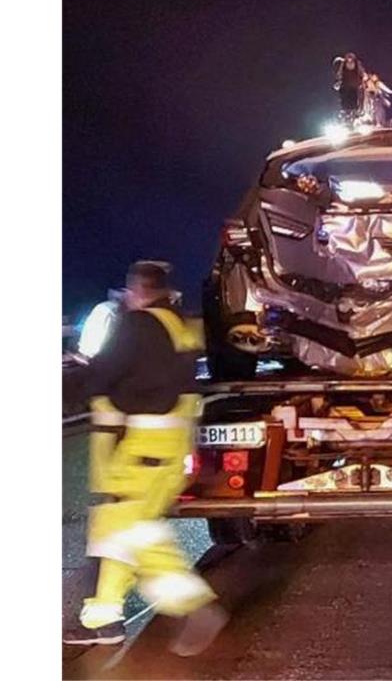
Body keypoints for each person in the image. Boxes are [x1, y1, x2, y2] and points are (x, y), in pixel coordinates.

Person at [63, 262, 228, 654]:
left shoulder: (137, 325)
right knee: (117, 528)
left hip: (141, 450)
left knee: (133, 531)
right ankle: (104, 619)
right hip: (170, 450)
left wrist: (86, 369)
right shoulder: (181, 328)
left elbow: (103, 377)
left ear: (138, 288)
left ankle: (195, 605)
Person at [332, 52, 367, 118]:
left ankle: (354, 110)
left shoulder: (357, 63)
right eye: (348, 57)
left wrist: (363, 78)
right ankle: (345, 110)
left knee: (353, 97)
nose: (349, 59)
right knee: (344, 96)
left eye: (351, 57)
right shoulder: (343, 64)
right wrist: (338, 80)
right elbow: (340, 72)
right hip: (345, 84)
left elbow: (361, 71)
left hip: (354, 85)